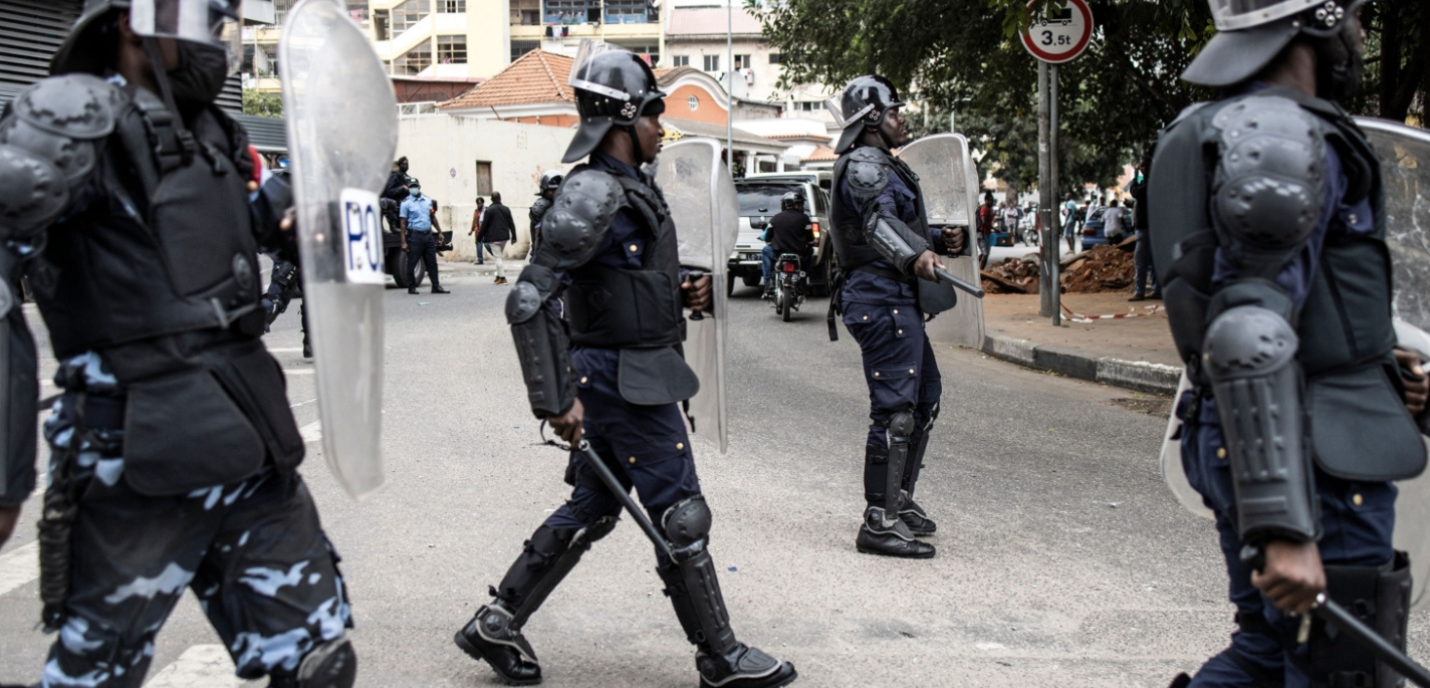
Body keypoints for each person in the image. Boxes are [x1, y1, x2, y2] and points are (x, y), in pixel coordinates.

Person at [0, 2, 357, 685]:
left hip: (247, 438)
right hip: (134, 450)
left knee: (318, 660)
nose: (217, 46)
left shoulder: (209, 128)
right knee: (97, 674)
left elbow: (199, 247)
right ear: (136, 23)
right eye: (205, 25)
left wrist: (282, 219)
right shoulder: (67, 114)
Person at [454, 44, 797, 688]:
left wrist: (683, 291)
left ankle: (497, 620)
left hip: (629, 369)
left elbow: (619, 285)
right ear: (622, 120)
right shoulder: (592, 189)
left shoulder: (632, 188)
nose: (660, 128)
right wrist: (555, 398)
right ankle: (720, 658)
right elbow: (530, 296)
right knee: (681, 512)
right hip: (621, 379)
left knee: (593, 504)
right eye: (652, 115)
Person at [1150, 1, 1427, 686]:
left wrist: (1368, 353)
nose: (1361, 35)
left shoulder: (1222, 128)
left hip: (1251, 430)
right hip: (1306, 459)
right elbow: (1248, 322)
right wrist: (1285, 526)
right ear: (1320, 19)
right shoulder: (1282, 131)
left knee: (1270, 656)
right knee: (1340, 670)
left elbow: (1269, 294)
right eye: (1356, 16)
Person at [828, 75, 966, 559]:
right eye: (893, 112)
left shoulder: (884, 163)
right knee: (895, 410)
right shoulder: (864, 164)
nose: (901, 118)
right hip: (879, 296)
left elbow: (896, 221)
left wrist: (937, 238)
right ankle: (878, 520)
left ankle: (898, 499)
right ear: (871, 120)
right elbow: (877, 224)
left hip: (896, 296)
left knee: (925, 396)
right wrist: (914, 257)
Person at [762, 192, 815, 299]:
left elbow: (768, 240)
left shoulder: (775, 218)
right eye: (800, 204)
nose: (802, 207)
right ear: (795, 205)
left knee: (765, 250)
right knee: (811, 251)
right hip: (799, 253)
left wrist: (775, 244)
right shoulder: (804, 219)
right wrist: (808, 245)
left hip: (778, 253)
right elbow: (811, 240)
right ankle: (802, 280)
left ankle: (769, 282)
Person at [400, 182, 449, 294]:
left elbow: (432, 217)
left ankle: (436, 286)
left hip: (428, 235)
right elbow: (402, 223)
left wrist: (440, 232)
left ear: (419, 187)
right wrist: (403, 242)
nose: (413, 189)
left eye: (415, 186)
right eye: (411, 187)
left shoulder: (427, 201)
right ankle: (411, 287)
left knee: (432, 262)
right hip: (414, 236)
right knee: (412, 262)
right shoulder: (406, 203)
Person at [1129, 153, 1158, 301]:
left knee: (1140, 261)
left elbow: (1135, 192)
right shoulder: (1152, 182)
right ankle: (1156, 289)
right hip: (1152, 227)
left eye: (1144, 166)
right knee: (1152, 261)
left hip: (1145, 228)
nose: (1142, 168)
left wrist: (1134, 178)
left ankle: (1139, 291)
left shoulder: (1149, 183)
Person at [478, 191, 515, 285]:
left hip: (493, 238)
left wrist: (479, 237)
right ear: (500, 198)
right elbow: (511, 223)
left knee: (497, 258)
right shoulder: (506, 209)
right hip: (504, 237)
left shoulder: (489, 210)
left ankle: (503, 278)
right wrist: (514, 236)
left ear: (491, 199)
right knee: (498, 257)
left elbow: (484, 225)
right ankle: (498, 276)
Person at [529, 170, 563, 258]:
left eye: (556, 189)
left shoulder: (562, 205)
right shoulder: (541, 206)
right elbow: (538, 235)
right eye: (551, 190)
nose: (554, 192)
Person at [383, 156, 414, 232]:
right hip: (398, 201)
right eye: (403, 164)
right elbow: (389, 191)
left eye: (406, 164)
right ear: (399, 165)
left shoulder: (407, 176)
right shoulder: (395, 175)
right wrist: (402, 188)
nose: (405, 166)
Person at [469, 196, 489, 264]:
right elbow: (474, 221)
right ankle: (480, 259)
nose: (479, 204)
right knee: (478, 245)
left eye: (480, 203)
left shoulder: (487, 210)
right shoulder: (476, 211)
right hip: (478, 231)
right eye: (478, 203)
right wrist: (471, 231)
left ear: (483, 203)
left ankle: (496, 256)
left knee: (487, 245)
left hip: (486, 231)